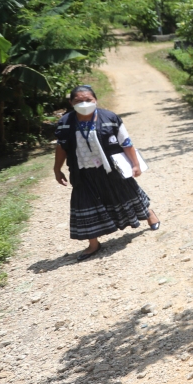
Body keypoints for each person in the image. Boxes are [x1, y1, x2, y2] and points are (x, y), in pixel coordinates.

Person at [53, 85, 160, 260]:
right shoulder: (65, 123)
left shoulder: (110, 118)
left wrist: (135, 164)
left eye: (88, 100)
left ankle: (149, 214)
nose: (84, 104)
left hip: (111, 168)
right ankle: (93, 244)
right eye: (79, 101)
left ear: (96, 100)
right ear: (71, 102)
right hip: (83, 172)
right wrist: (57, 169)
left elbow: (126, 142)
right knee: (84, 205)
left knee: (127, 193)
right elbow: (62, 148)